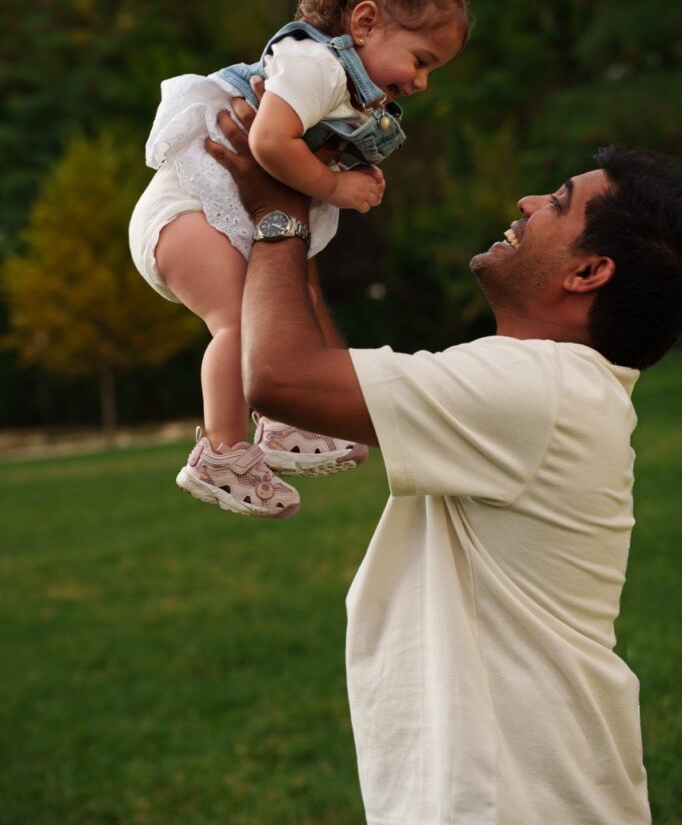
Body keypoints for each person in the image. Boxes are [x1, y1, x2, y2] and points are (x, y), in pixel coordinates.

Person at [205, 106, 682, 825]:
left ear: (589, 271)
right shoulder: (556, 387)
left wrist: (278, 213)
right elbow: (312, 381)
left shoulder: (540, 390)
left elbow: (278, 378)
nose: (525, 203)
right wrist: (297, 204)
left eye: (556, 203)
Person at [128, 0, 468, 519]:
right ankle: (222, 452)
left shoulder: (344, 87)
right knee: (238, 323)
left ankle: (282, 426)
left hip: (217, 219)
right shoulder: (318, 66)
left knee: (284, 310)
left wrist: (355, 174)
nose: (421, 82)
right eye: (421, 60)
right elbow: (267, 140)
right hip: (185, 212)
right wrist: (335, 184)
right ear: (363, 24)